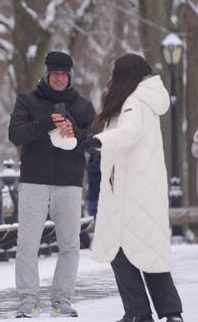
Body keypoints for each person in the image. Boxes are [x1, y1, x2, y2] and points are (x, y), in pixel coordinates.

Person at [77, 54, 184, 322]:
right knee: (148, 252)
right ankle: (171, 313)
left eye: (114, 72)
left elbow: (129, 134)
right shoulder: (142, 100)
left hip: (130, 194)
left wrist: (98, 142)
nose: (111, 78)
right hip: (140, 191)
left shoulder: (133, 103)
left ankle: (139, 313)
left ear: (125, 75)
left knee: (121, 252)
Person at [8, 51, 96, 318]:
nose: (59, 78)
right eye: (54, 73)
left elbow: (94, 142)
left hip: (69, 183)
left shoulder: (83, 106)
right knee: (27, 244)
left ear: (70, 76)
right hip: (34, 181)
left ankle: (62, 299)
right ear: (47, 74)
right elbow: (15, 135)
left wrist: (76, 132)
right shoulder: (27, 100)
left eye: (63, 74)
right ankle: (28, 300)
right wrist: (46, 123)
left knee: (70, 244)